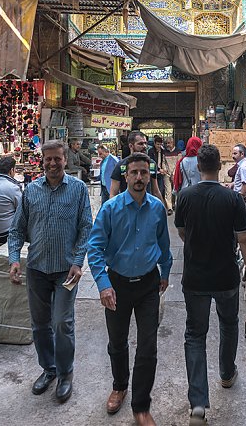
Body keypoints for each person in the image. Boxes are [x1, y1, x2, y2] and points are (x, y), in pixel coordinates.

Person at [175, 144, 246, 425]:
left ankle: (198, 405)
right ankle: (226, 374)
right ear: (221, 165)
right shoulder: (233, 199)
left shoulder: (185, 197)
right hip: (226, 277)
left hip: (196, 278)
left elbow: (183, 232)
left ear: (198, 167)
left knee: (195, 335)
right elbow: (245, 240)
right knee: (228, 323)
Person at [88, 153, 172, 426]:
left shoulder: (157, 208)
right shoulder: (110, 209)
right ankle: (119, 385)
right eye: (134, 173)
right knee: (117, 342)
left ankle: (141, 406)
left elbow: (164, 245)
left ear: (150, 176)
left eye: (144, 173)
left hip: (148, 284)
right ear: (125, 176)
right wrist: (103, 285)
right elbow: (95, 248)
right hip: (117, 285)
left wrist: (166, 271)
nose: (139, 178)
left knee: (148, 346)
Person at [8, 140, 92, 403]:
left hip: (66, 271)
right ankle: (49, 369)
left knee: (62, 323)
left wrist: (78, 262)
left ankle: (66, 373)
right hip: (37, 268)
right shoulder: (31, 191)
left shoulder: (78, 190)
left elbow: (86, 229)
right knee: (40, 324)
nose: (53, 164)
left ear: (65, 160)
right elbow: (17, 229)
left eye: (58, 159)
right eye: (49, 160)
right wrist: (13, 259)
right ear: (42, 162)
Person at [109, 131, 164, 204]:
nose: (144, 146)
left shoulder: (151, 164)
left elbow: (155, 191)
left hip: (146, 208)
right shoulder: (121, 165)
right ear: (131, 146)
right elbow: (113, 193)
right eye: (140, 144)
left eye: (145, 143)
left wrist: (162, 209)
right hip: (126, 208)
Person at [148, 135, 168, 205]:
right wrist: (159, 169)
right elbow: (152, 163)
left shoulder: (162, 151)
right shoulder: (151, 151)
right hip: (154, 172)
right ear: (154, 144)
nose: (159, 146)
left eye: (160, 144)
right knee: (154, 189)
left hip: (161, 173)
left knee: (161, 189)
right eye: (157, 144)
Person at [163, 137, 179, 214]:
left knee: (175, 190)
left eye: (169, 143)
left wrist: (174, 174)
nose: (167, 145)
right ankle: (169, 208)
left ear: (173, 143)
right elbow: (163, 162)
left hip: (176, 173)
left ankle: (175, 205)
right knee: (168, 191)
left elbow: (178, 164)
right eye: (166, 143)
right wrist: (165, 170)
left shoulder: (178, 152)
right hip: (166, 174)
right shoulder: (164, 152)